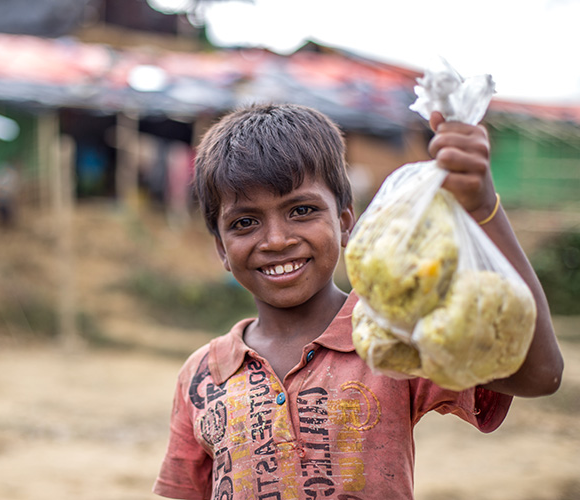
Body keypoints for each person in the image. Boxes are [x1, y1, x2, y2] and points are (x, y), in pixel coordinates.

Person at [153, 103, 563, 499]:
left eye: (301, 210)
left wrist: (482, 207)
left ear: (346, 221)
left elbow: (541, 375)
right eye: (245, 222)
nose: (277, 240)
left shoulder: (394, 336)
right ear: (221, 248)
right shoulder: (204, 375)